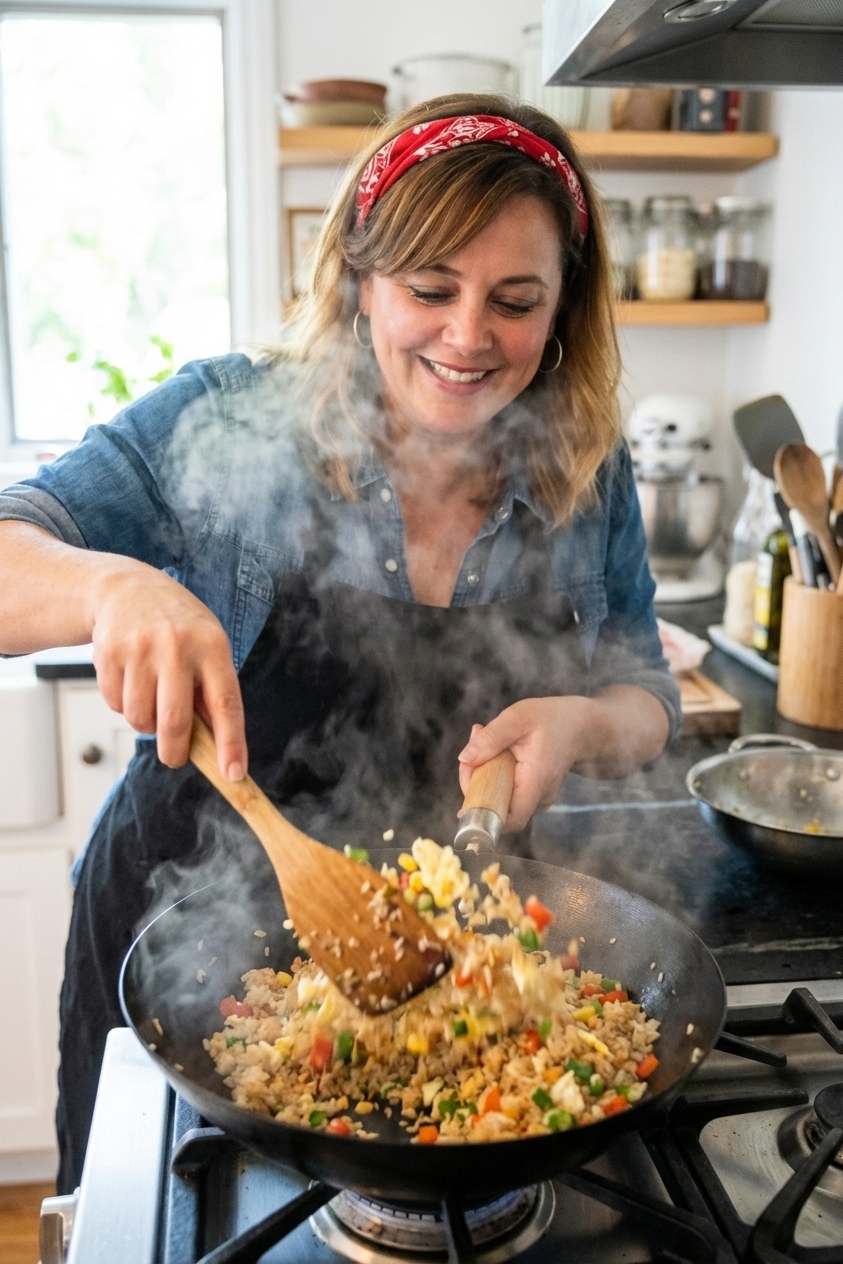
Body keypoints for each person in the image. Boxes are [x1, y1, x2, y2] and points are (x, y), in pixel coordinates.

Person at [0, 94, 678, 1191]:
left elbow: (645, 687)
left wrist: (586, 719)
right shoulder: (224, 413)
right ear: (360, 281)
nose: (468, 337)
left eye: (515, 299)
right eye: (428, 289)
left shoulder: (587, 473)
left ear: (563, 310)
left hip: (453, 942)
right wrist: (108, 584)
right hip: (179, 942)